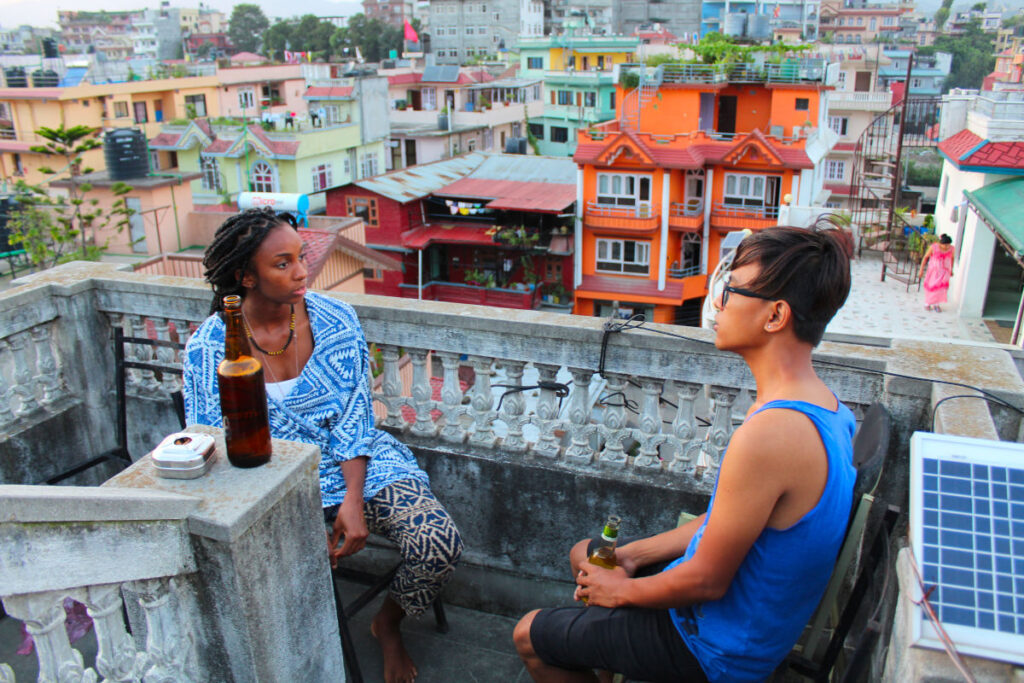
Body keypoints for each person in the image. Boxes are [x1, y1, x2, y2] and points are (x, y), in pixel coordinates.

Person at [514, 223, 855, 683]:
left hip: (716, 648)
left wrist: (621, 594)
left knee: (529, 635)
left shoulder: (773, 434)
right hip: (725, 617)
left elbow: (707, 581)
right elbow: (725, 520)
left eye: (731, 291)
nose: (718, 302)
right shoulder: (827, 408)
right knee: (586, 554)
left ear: (774, 316)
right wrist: (633, 558)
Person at [183, 207, 462, 683]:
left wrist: (353, 499)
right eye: (282, 263)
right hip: (273, 483)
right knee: (278, 579)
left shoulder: (335, 319)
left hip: (355, 464)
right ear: (244, 276)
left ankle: (387, 622)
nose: (301, 271)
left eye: (300, 256)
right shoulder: (210, 349)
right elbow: (214, 443)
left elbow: (355, 418)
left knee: (437, 543)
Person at [918, 234, 954, 312]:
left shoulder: (951, 249)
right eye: (945, 245)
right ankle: (927, 303)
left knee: (940, 289)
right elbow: (925, 258)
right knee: (932, 287)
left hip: (944, 272)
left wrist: (951, 270)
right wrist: (921, 270)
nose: (947, 247)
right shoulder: (934, 247)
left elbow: (952, 259)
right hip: (934, 271)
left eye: (948, 245)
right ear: (941, 243)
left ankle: (936, 304)